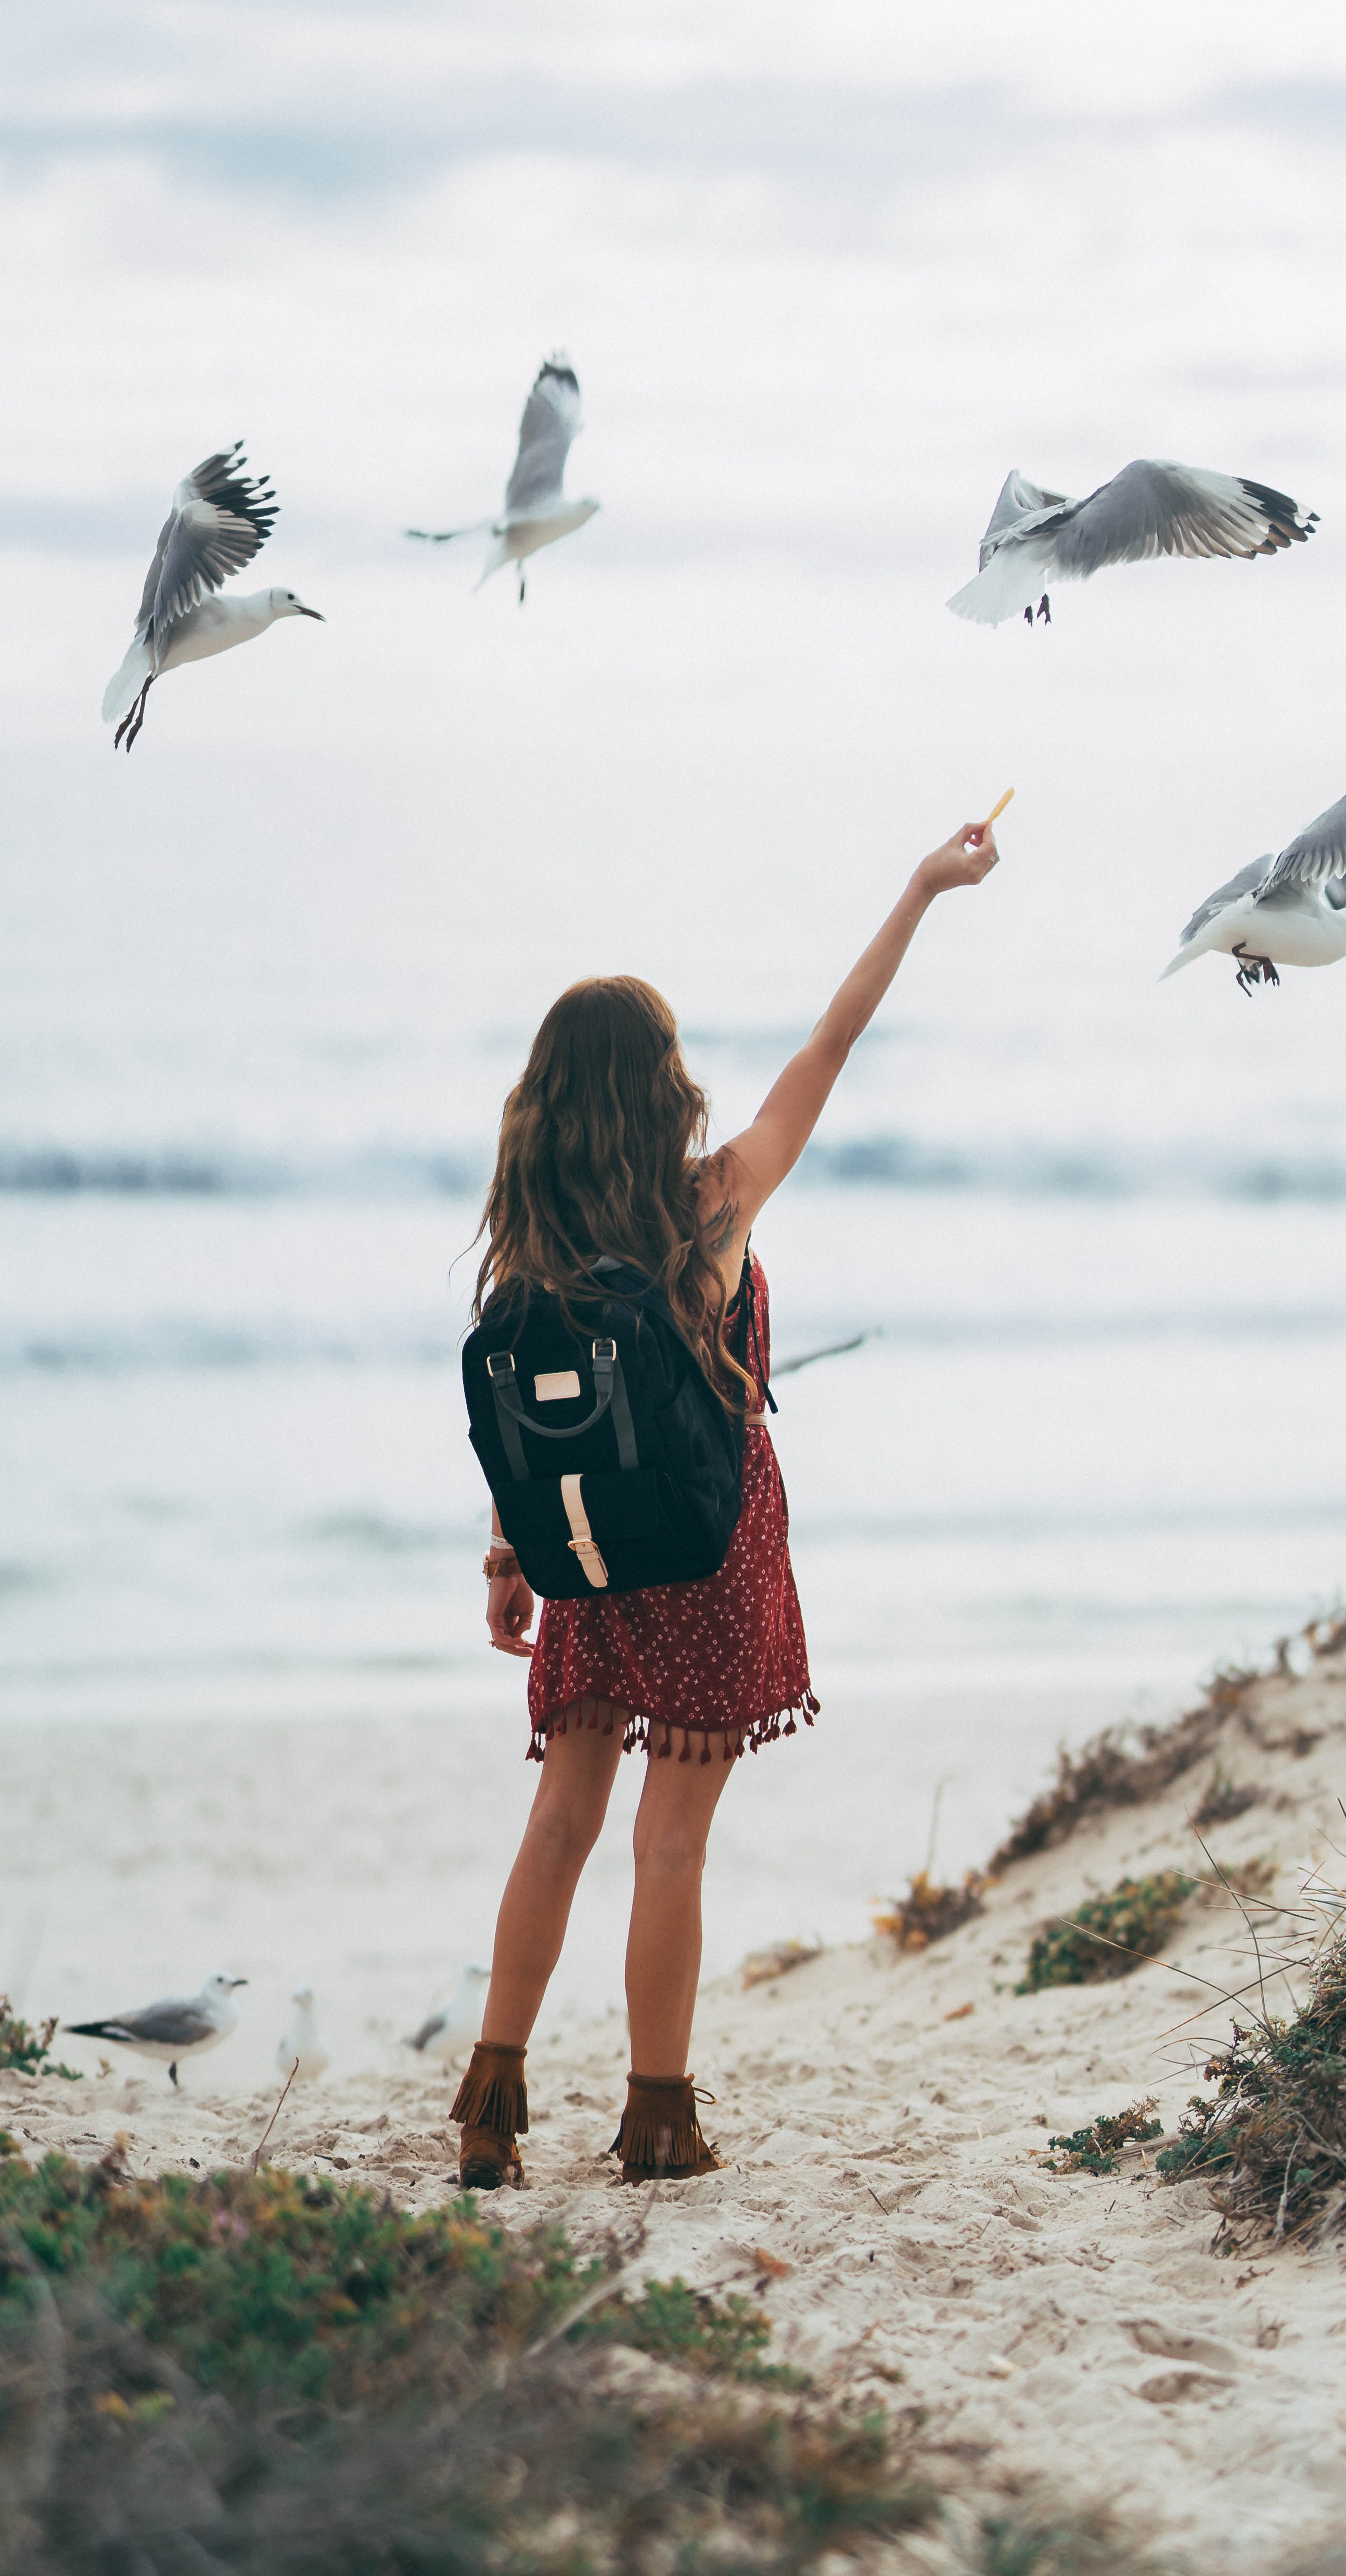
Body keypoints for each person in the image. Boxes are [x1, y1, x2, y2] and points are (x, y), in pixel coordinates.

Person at [450, 815, 1003, 2189]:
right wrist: (922, 888)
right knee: (668, 1850)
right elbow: (832, 1045)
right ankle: (656, 2116)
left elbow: (527, 1417)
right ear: (662, 1091)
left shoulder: (533, 1241)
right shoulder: (712, 1207)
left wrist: (511, 1559)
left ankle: (489, 2104)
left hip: (581, 1553)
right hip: (704, 1553)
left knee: (560, 1828)